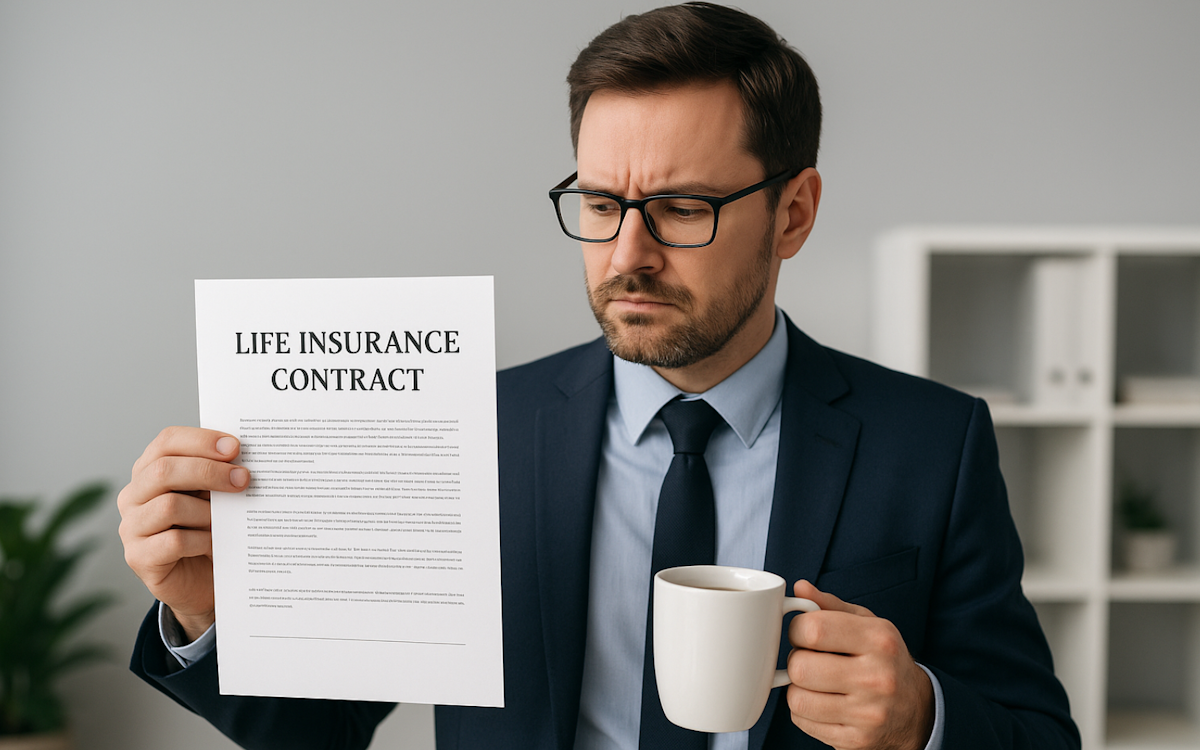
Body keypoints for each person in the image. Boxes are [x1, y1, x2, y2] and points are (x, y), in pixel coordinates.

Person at [118, 4, 1080, 749]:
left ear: (793, 214)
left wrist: (921, 717)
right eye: (601, 202)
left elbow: (1039, 735)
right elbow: (317, 731)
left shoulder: (932, 443)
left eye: (682, 207)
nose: (628, 254)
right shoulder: (472, 433)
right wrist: (208, 611)